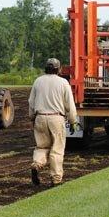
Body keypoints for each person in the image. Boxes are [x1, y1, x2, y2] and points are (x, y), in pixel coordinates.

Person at [28, 58, 78, 186]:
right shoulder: (63, 82)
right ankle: (56, 179)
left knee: (41, 146)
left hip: (40, 117)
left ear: (46, 68)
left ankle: (37, 164)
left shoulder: (38, 81)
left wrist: (32, 117)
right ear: (58, 69)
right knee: (57, 149)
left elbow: (31, 102)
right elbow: (69, 104)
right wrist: (73, 121)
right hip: (56, 118)